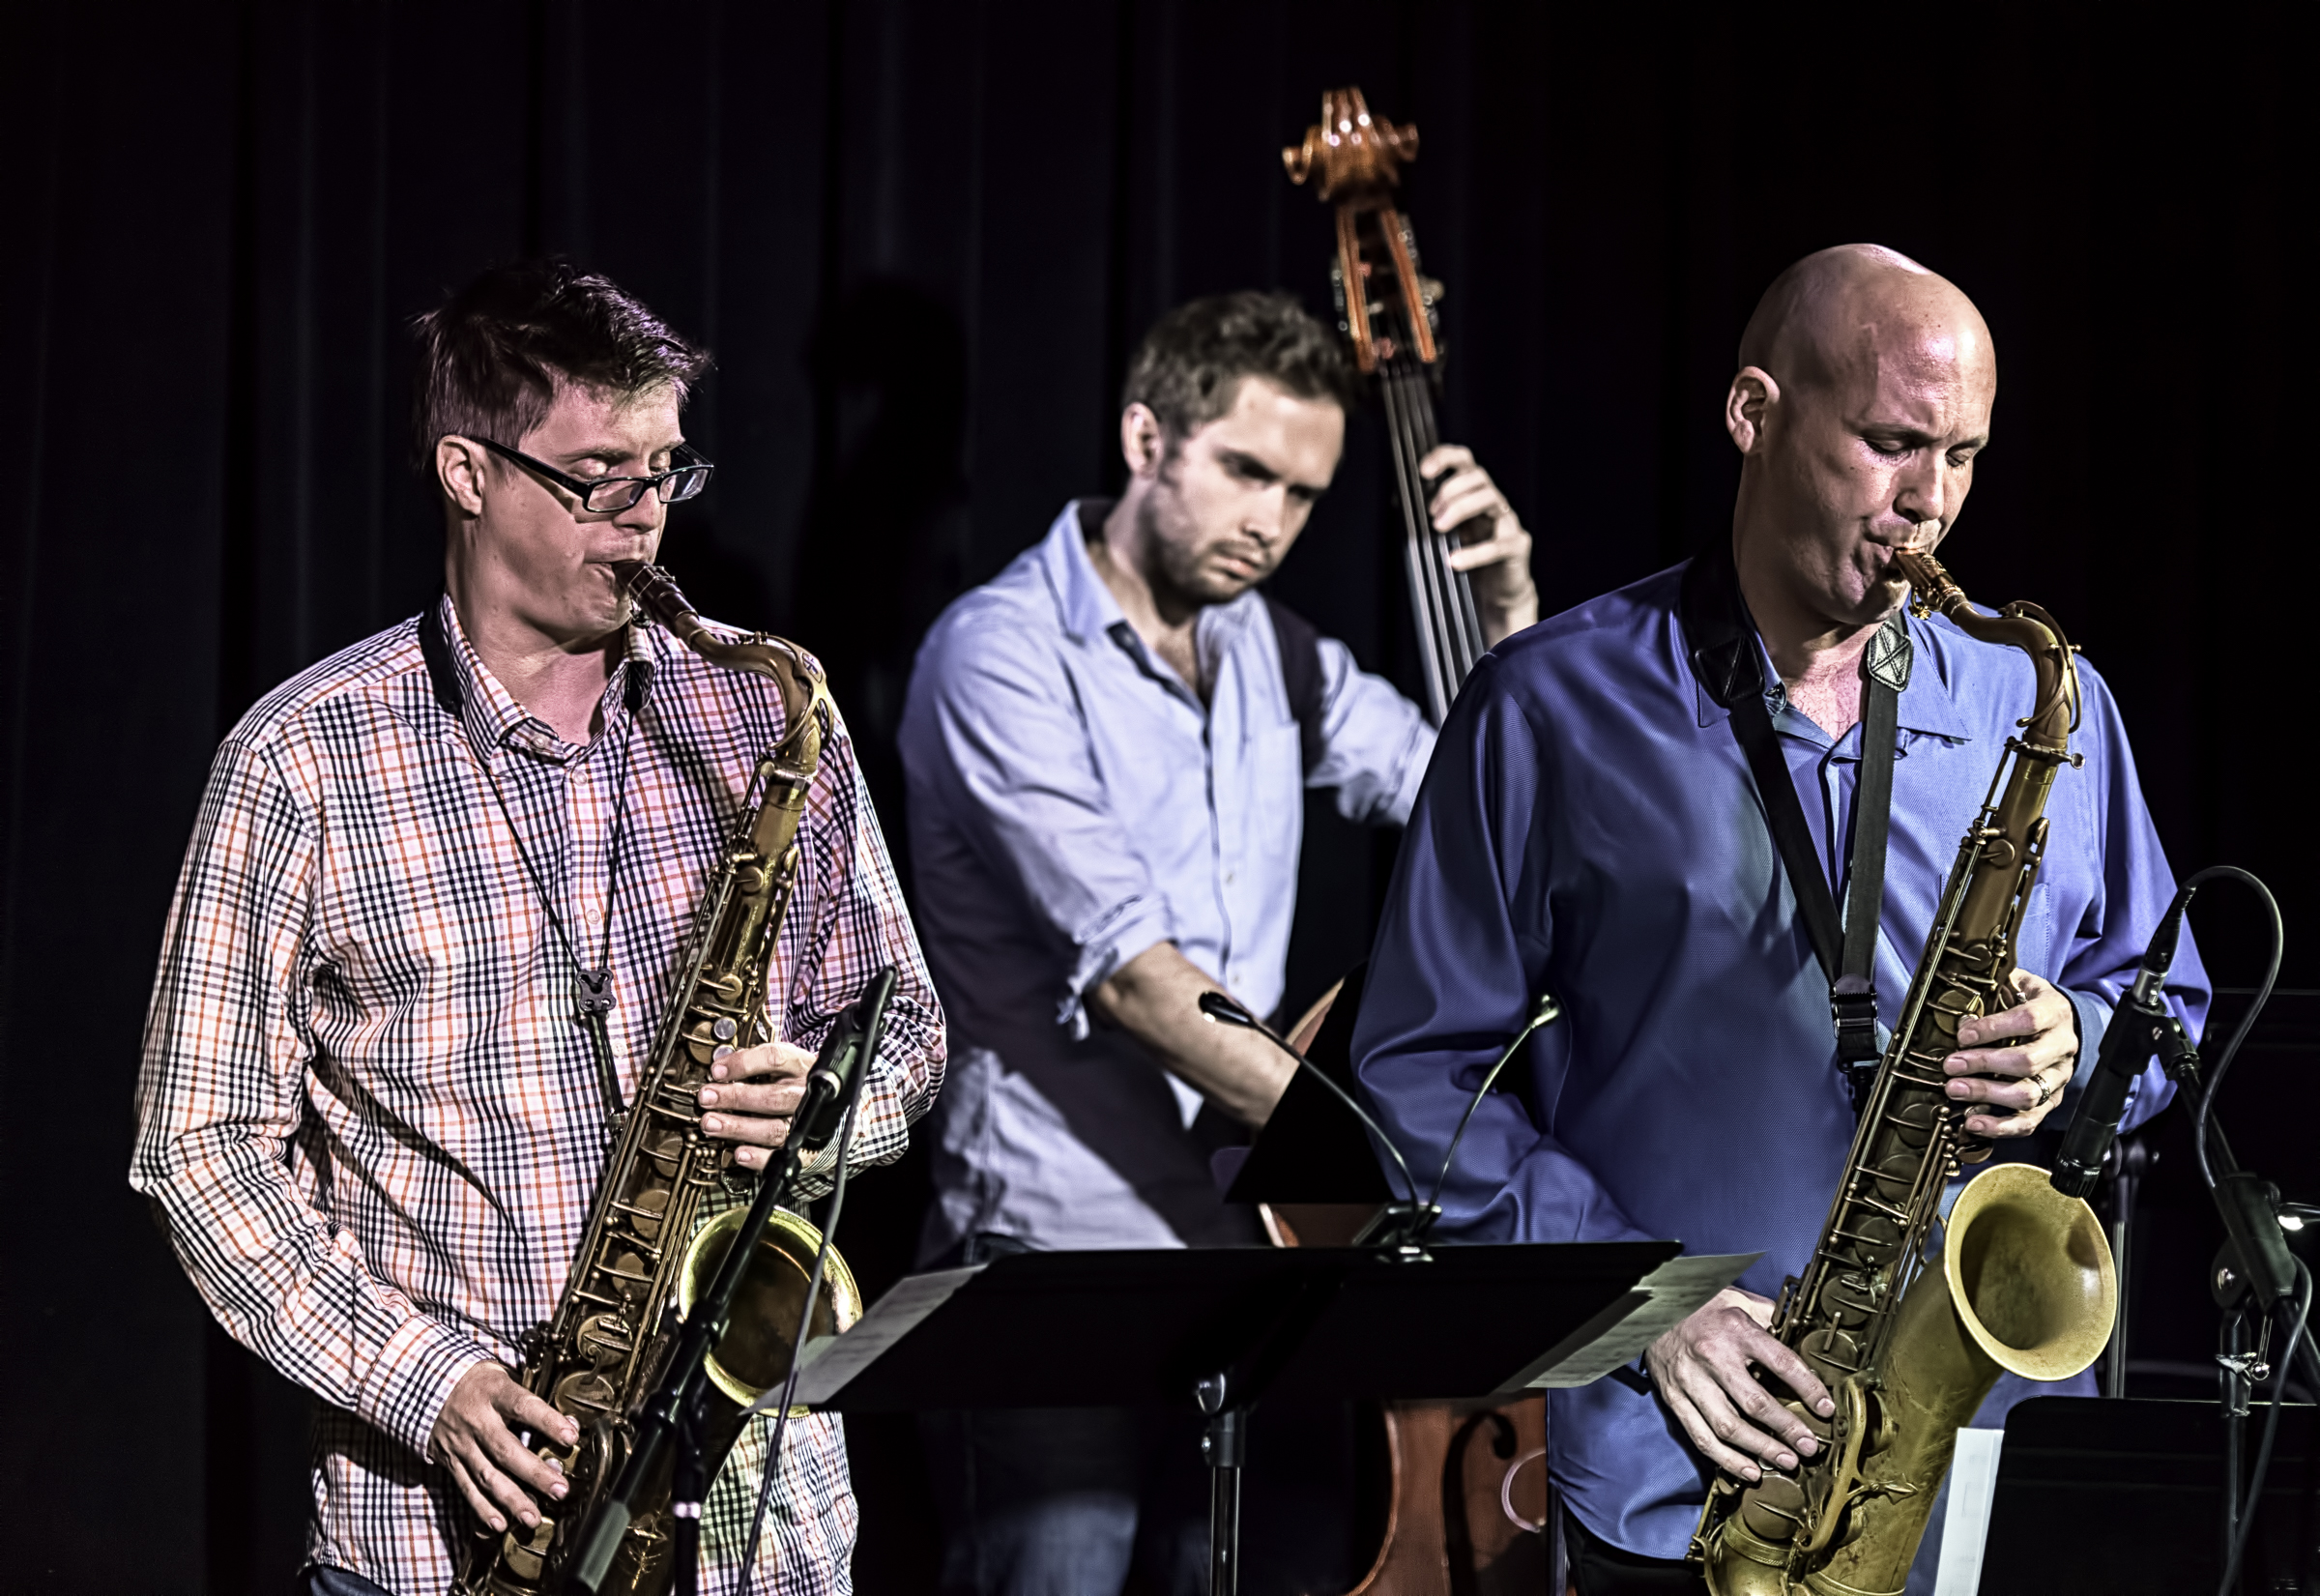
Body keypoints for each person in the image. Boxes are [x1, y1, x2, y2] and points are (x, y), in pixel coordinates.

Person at [1349, 245, 2207, 1595]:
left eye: (1965, 457)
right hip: (1683, 1461)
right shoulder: (1544, 706)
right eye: (1890, 444)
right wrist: (1643, 1304)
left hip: (1993, 1459)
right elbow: (1414, 1074)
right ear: (1755, 412)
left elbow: (2171, 1009)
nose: (1930, 505)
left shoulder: (2046, 701)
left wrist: (2079, 1042)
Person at [130, 260, 944, 1596]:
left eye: (667, 472)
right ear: (467, 471)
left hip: (766, 1532)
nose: (643, 524)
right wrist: (426, 1381)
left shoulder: (766, 719)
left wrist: (831, 1103)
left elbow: (903, 1025)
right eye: (596, 477)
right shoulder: (303, 759)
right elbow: (202, 1148)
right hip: (455, 1535)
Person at [896, 290, 1537, 1595]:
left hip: (1248, 1268)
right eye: (1246, 471)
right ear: (1147, 438)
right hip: (1049, 1265)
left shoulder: (1275, 653)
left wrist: (1511, 621)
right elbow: (1136, 977)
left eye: (1303, 493)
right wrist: (1390, 1163)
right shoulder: (999, 653)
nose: (1272, 523)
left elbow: (1487, 814)